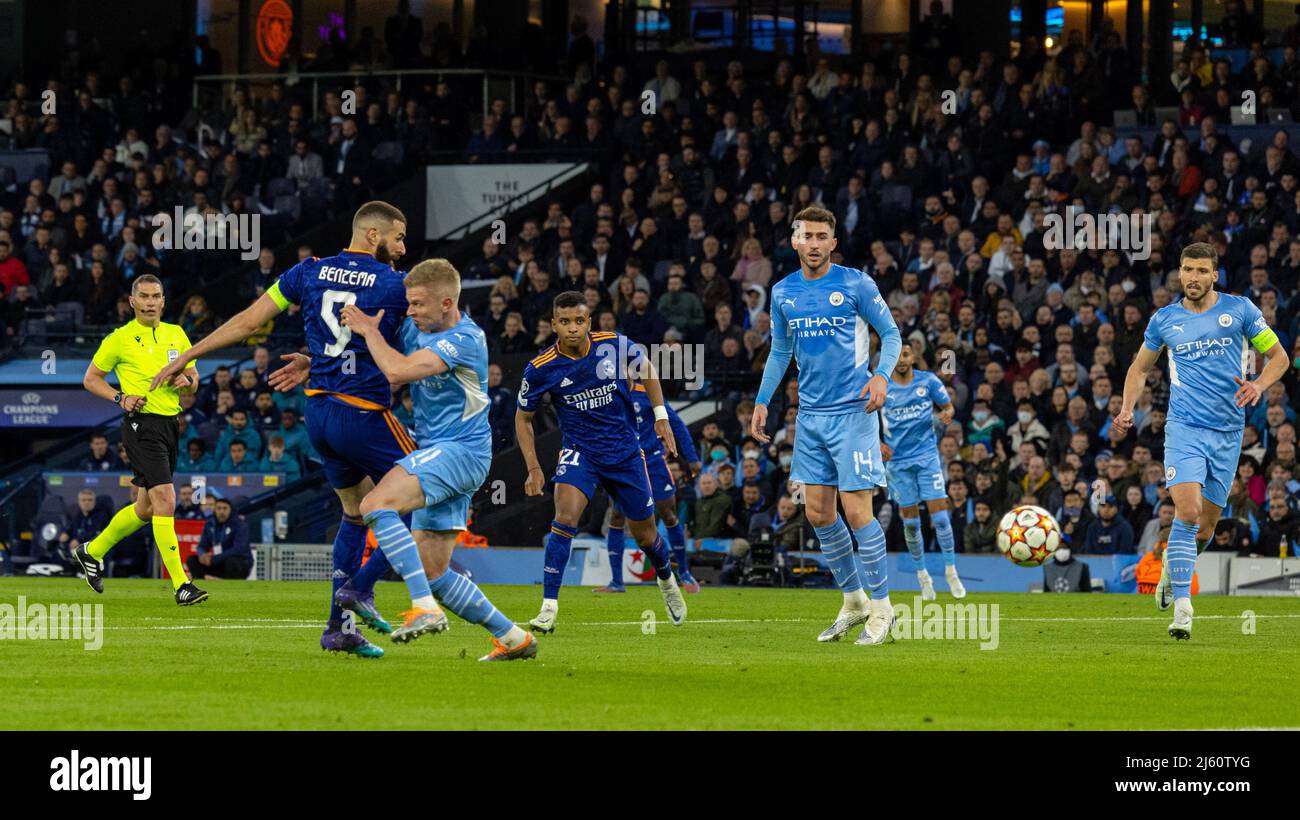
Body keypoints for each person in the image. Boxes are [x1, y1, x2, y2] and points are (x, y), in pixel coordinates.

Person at [152, 201, 413, 658]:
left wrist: (189, 354)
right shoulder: (394, 284)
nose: (403, 246)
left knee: (355, 513)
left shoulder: (307, 271)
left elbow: (248, 321)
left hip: (319, 414)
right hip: (363, 412)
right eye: (399, 236)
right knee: (423, 491)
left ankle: (339, 628)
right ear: (373, 235)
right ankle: (363, 588)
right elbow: (405, 356)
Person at [305, 259, 536, 661]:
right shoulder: (417, 328)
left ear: (446, 303)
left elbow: (396, 370)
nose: (409, 312)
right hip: (438, 451)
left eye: (417, 305)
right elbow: (376, 366)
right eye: (408, 304)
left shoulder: (465, 339)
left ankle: (423, 608)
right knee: (435, 573)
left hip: (460, 450)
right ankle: (515, 638)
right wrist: (316, 366)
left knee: (375, 503)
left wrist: (372, 331)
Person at [1114, 242, 1290, 639]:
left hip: (1227, 433)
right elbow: (1139, 369)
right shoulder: (1164, 320)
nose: (1192, 277)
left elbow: (1279, 357)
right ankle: (1183, 608)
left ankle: (1171, 573)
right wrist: (1127, 408)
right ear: (1180, 272)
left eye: (1200, 271)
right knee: (1188, 512)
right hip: (1184, 429)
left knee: (1207, 527)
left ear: (1215, 274)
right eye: (1186, 270)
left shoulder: (1239, 310)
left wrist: (1259, 385)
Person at [750, 206, 902, 646]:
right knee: (817, 512)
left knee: (858, 513)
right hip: (811, 419)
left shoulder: (856, 282)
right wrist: (763, 401)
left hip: (854, 413)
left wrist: (881, 376)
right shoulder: (783, 293)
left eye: (822, 237)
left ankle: (883, 608)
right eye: (807, 236)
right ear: (794, 241)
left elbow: (891, 335)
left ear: (833, 243)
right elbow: (780, 352)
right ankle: (853, 601)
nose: (814, 244)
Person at [515, 292, 688, 632]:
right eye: (565, 322)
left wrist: (660, 416)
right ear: (553, 325)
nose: (573, 329)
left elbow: (647, 367)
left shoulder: (613, 344)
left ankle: (667, 581)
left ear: (589, 323)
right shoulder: (540, 368)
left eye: (579, 321)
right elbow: (523, 419)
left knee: (645, 536)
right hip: (581, 452)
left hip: (625, 452)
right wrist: (533, 467)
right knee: (564, 519)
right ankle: (548, 607)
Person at [75, 274, 207, 605]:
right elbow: (91, 379)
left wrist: (186, 382)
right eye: (144, 296)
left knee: (146, 508)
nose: (150, 302)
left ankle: (92, 551)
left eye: (156, 296)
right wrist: (120, 398)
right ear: (133, 302)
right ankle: (181, 584)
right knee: (166, 498)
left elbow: (194, 378)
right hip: (140, 425)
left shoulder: (176, 334)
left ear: (163, 301)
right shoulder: (119, 339)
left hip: (169, 425)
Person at [597, 380, 702, 594]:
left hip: (653, 461)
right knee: (617, 516)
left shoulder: (647, 392)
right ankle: (617, 581)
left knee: (669, 514)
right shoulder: (605, 394)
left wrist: (691, 457)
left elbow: (676, 424)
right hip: (624, 463)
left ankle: (684, 572)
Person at [880, 343, 965, 599]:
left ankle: (951, 572)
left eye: (905, 355)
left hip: (927, 457)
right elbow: (864, 419)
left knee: (940, 518)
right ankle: (923, 577)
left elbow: (948, 406)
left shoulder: (928, 381)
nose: (901, 360)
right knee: (912, 525)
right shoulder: (881, 386)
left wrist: (946, 415)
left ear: (913, 357)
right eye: (896, 357)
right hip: (897, 463)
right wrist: (878, 443)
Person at [186, 497, 252, 580]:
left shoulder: (240, 525)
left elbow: (238, 549)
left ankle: (231, 586)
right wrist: (202, 555)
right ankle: (200, 584)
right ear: (214, 510)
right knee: (192, 560)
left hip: (240, 563)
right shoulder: (209, 524)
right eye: (219, 508)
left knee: (232, 562)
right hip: (217, 562)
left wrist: (215, 558)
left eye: (225, 508)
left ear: (230, 510)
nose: (221, 511)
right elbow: (201, 546)